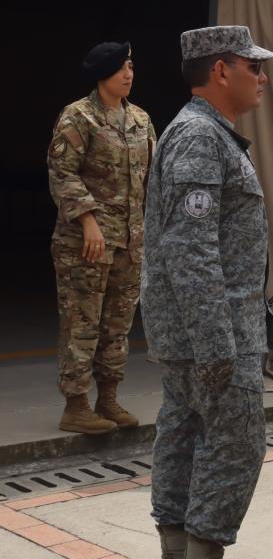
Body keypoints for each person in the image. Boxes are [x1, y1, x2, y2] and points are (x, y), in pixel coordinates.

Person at [142, 25, 273, 558]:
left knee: (182, 432)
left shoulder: (204, 133)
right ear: (221, 70)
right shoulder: (200, 136)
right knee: (235, 446)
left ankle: (176, 548)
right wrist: (217, 341)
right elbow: (190, 248)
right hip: (215, 334)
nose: (262, 78)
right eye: (253, 67)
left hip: (199, 332)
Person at [47, 42, 155, 434]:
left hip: (129, 243)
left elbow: (151, 181)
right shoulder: (79, 117)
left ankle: (107, 399)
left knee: (117, 326)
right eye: (120, 68)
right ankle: (75, 406)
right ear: (102, 74)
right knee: (82, 323)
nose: (128, 73)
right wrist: (89, 220)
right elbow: (63, 173)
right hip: (85, 244)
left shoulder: (140, 120)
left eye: (131, 65)